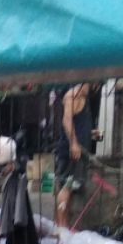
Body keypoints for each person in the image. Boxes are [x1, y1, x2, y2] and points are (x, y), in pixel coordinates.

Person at [54, 82, 98, 229]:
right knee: (67, 186)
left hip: (77, 150)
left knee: (70, 188)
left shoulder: (81, 97)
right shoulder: (73, 95)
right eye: (91, 85)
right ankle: (61, 227)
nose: (92, 89)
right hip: (72, 151)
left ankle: (64, 226)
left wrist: (90, 134)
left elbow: (77, 124)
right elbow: (66, 120)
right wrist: (73, 143)